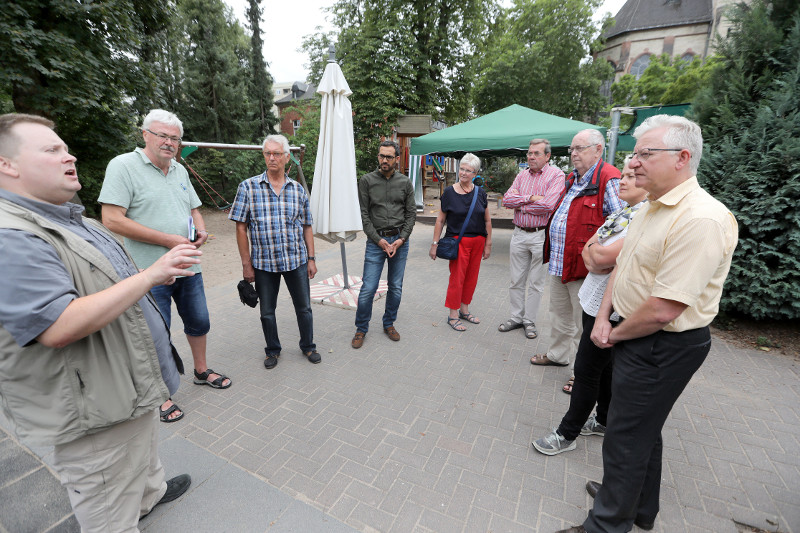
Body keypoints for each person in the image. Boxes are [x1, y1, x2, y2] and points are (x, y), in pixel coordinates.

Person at [0, 113, 193, 530]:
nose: (68, 156)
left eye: (65, 147)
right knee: (107, 500)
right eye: (51, 150)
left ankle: (148, 497)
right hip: (92, 408)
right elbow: (58, 325)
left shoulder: (68, 218)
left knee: (140, 456)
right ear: (7, 165)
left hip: (123, 386)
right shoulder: (10, 235)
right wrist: (153, 274)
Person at [557, 115, 738, 533]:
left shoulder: (701, 219)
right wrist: (603, 316)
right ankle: (637, 506)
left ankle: (605, 524)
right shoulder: (651, 207)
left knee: (625, 436)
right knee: (641, 427)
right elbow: (623, 265)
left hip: (661, 343)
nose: (633, 163)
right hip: (631, 330)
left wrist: (613, 333)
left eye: (644, 154)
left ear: (682, 158)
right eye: (633, 153)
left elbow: (663, 309)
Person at [99, 109, 231, 423]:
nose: (169, 143)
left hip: (188, 266)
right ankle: (161, 393)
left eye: (174, 138)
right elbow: (111, 219)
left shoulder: (179, 170)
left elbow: (195, 209)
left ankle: (200, 370)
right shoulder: (123, 166)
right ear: (145, 134)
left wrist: (199, 230)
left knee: (199, 321)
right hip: (147, 272)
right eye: (162, 135)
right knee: (155, 333)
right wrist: (167, 240)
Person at [532, 158, 647, 455]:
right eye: (623, 175)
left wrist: (596, 253)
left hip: (613, 308)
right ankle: (604, 420)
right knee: (604, 368)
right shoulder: (624, 213)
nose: (622, 181)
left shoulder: (645, 220)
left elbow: (600, 257)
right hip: (596, 298)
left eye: (632, 177)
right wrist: (596, 253)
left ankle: (566, 433)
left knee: (585, 370)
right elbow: (591, 251)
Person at [531, 129, 623, 395]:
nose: (573, 154)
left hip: (586, 270)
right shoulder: (573, 179)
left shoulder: (609, 178)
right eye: (572, 149)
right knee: (558, 316)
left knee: (583, 325)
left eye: (579, 148)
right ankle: (558, 355)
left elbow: (622, 227)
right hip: (561, 264)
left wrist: (600, 258)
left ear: (598, 150)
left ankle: (579, 373)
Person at [228, 134, 321, 369]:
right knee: (267, 312)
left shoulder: (298, 190)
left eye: (277, 153)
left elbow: (307, 226)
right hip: (263, 263)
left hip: (296, 260)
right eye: (268, 153)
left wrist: (311, 258)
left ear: (286, 157)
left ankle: (308, 346)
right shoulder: (248, 187)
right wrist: (246, 264)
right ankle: (272, 350)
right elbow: (241, 227)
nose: (272, 158)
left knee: (304, 308)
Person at [351, 140, 416, 349]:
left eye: (389, 157)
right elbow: (363, 215)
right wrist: (379, 241)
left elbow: (411, 214)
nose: (384, 160)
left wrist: (401, 239)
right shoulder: (367, 181)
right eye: (381, 156)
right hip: (375, 242)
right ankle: (361, 328)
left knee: (395, 287)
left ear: (397, 159)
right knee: (368, 288)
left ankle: (389, 323)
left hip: (399, 241)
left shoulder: (405, 183)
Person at [499, 139, 565, 340]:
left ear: (547, 156)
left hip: (540, 234)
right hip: (519, 232)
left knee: (536, 282)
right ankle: (516, 317)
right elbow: (506, 200)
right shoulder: (521, 175)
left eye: (536, 153)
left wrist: (521, 203)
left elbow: (548, 205)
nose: (531, 157)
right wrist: (531, 198)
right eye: (529, 153)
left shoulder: (557, 175)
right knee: (515, 279)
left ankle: (529, 320)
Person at [429, 153, 492, 331]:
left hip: (478, 241)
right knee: (457, 279)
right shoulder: (449, 192)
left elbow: (487, 221)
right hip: (458, 242)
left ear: (475, 173)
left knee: (471, 279)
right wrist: (434, 244)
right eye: (462, 169)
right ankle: (453, 315)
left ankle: (464, 310)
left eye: (468, 170)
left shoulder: (481, 193)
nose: (463, 173)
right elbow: (440, 220)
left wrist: (488, 243)